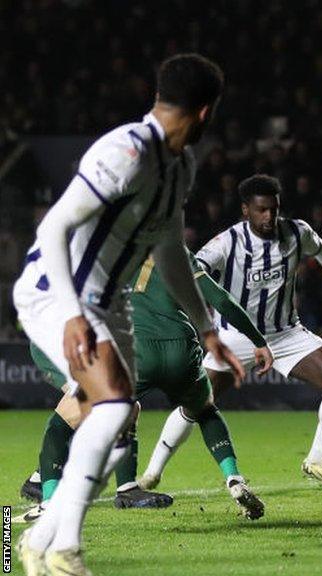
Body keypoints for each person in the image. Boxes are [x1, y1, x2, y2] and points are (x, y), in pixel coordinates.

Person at [14, 53, 244, 576]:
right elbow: (52, 229)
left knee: (117, 427)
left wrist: (207, 330)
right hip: (58, 292)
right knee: (114, 408)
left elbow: (169, 253)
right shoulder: (124, 151)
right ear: (206, 113)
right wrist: (72, 315)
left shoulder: (180, 166)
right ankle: (64, 553)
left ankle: (40, 535)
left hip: (109, 304)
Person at [144, 173, 322, 489]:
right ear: (246, 210)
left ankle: (316, 460)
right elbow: (192, 272)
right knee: (195, 403)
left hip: (285, 334)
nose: (269, 217)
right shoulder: (228, 242)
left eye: (274, 209)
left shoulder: (296, 232)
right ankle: (152, 473)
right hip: (234, 337)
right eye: (262, 210)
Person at [16, 251, 273, 524]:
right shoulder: (176, 251)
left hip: (131, 351)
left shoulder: (103, 252)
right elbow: (221, 299)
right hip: (181, 350)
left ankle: (50, 497)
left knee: (64, 423)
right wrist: (258, 340)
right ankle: (233, 477)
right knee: (204, 410)